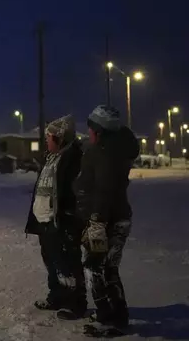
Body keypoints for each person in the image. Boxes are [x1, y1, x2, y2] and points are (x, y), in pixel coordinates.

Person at [74, 105, 139, 337]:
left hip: (105, 220)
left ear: (99, 130)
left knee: (95, 267)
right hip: (118, 217)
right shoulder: (115, 148)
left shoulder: (103, 152)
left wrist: (96, 221)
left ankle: (109, 317)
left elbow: (104, 189)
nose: (88, 131)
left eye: (91, 127)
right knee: (109, 268)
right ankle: (117, 315)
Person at [25, 114, 87, 320]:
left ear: (60, 138)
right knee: (52, 261)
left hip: (62, 220)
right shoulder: (51, 158)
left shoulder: (72, 158)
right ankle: (57, 296)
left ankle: (76, 303)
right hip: (45, 221)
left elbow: (76, 190)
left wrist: (71, 215)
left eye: (49, 137)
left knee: (68, 263)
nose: (46, 140)